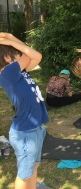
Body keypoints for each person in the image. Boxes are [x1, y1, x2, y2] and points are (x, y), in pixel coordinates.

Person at [0, 32, 49, 189]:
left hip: (35, 128)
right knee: (24, 174)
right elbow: (32, 54)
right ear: (7, 58)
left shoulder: (18, 72)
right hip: (25, 132)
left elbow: (33, 55)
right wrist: (10, 40)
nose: (20, 53)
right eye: (15, 52)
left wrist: (10, 37)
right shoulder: (8, 73)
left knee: (33, 166)